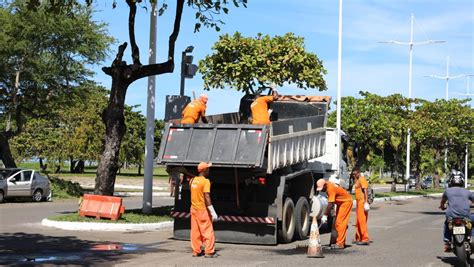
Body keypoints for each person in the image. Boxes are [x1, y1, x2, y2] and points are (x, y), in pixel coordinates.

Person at [439, 170, 474, 252]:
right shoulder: (467, 191)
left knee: (446, 224)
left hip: (451, 216)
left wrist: (442, 207)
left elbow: (443, 202)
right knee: (472, 222)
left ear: (451, 181)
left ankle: (447, 242)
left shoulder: (447, 191)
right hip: (465, 216)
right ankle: (472, 237)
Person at [190, 162, 218, 258]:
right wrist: (212, 211)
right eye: (208, 169)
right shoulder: (206, 181)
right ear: (205, 170)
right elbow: (206, 196)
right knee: (207, 231)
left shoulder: (192, 180)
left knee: (195, 231)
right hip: (203, 210)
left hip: (193, 209)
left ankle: (196, 251)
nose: (209, 170)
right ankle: (209, 252)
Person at [317, 179, 353, 249]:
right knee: (337, 223)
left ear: (325, 185)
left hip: (346, 202)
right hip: (341, 202)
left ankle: (340, 244)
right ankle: (339, 241)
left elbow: (330, 204)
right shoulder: (328, 184)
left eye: (321, 188)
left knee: (340, 223)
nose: (321, 190)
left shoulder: (330, 188)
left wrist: (325, 215)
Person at [352, 168, 371, 245]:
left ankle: (365, 239)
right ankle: (358, 237)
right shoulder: (357, 180)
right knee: (358, 221)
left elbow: (365, 190)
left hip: (362, 202)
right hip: (358, 202)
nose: (354, 175)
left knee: (362, 221)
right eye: (353, 174)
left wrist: (366, 202)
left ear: (359, 173)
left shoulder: (362, 179)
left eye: (355, 173)